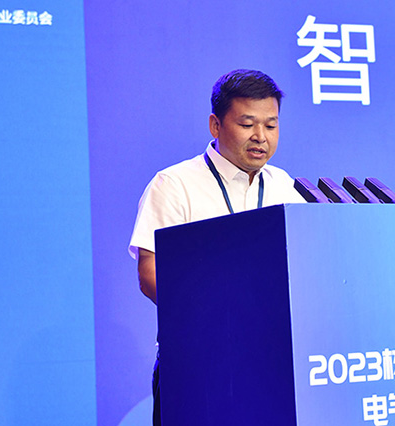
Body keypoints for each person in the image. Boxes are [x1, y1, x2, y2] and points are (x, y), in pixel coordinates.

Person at [128, 69, 305, 425]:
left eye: (271, 125)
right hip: (198, 364)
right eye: (247, 124)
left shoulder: (284, 186)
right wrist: (219, 315)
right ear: (215, 125)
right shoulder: (175, 184)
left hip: (272, 363)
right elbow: (150, 274)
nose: (260, 137)